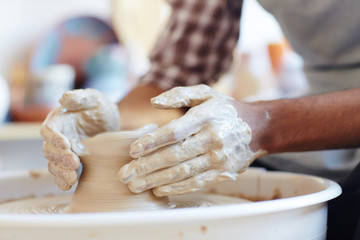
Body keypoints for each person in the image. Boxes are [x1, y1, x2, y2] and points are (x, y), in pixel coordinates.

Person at [40, 0, 360, 239]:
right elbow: (171, 80)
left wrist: (263, 124)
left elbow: (262, 128)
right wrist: (109, 123)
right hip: (305, 129)